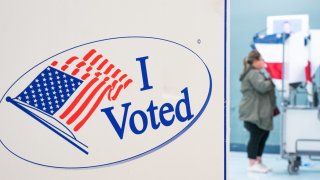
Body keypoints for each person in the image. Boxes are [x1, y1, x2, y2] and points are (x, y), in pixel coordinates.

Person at [239, 50, 276, 173]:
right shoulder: (253, 74)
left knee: (263, 135)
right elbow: (262, 87)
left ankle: (258, 161)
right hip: (252, 112)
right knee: (256, 137)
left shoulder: (257, 73)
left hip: (258, 112)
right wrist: (273, 79)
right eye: (262, 60)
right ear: (255, 62)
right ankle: (252, 163)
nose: (264, 62)